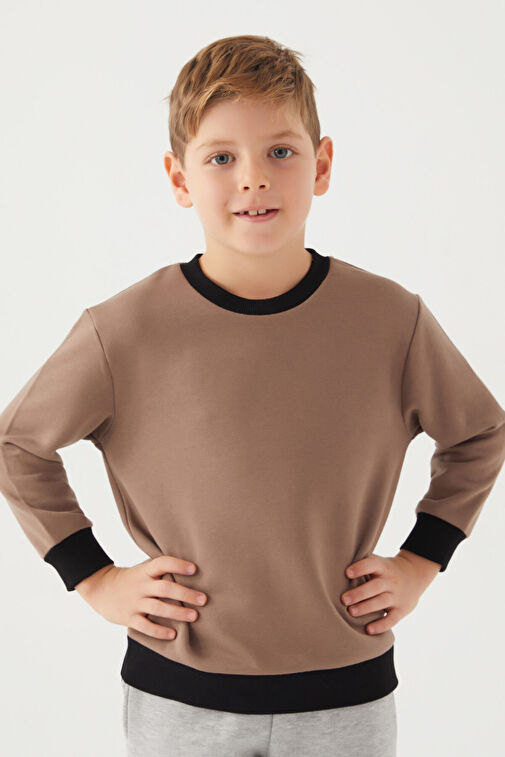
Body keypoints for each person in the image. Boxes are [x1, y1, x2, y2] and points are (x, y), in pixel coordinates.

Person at [1, 34, 504, 757]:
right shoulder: (124, 330)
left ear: (321, 165)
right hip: (179, 693)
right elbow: (16, 443)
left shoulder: (390, 319)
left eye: (280, 152)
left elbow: (480, 432)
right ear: (179, 178)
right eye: (220, 158)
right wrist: (94, 577)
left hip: (345, 691)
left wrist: (421, 560)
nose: (253, 180)